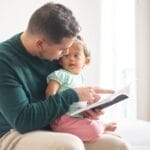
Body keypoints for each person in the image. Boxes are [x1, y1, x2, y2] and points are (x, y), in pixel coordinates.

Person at [0, 2, 131, 150]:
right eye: (62, 50)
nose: (66, 54)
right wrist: (72, 96)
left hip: (58, 125)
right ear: (40, 44)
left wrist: (84, 109)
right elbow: (23, 121)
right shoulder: (4, 61)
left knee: (118, 146)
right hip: (13, 132)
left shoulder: (57, 54)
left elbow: (66, 93)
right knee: (70, 146)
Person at [46, 35, 118, 142]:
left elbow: (83, 97)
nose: (71, 59)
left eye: (76, 56)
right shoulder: (60, 74)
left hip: (77, 117)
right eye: (66, 56)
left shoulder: (81, 78)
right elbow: (50, 93)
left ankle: (100, 127)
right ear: (61, 61)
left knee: (93, 118)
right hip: (62, 119)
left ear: (86, 61)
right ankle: (102, 128)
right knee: (94, 129)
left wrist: (91, 104)